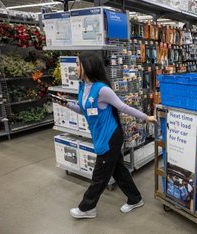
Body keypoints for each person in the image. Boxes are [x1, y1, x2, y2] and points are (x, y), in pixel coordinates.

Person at [54, 52, 157, 219]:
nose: (75, 67)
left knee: (100, 175)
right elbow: (85, 110)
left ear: (88, 66)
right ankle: (135, 199)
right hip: (100, 135)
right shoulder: (82, 86)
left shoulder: (102, 89)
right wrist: (68, 105)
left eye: (78, 64)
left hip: (110, 137)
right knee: (118, 170)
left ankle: (87, 208)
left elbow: (124, 108)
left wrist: (147, 117)